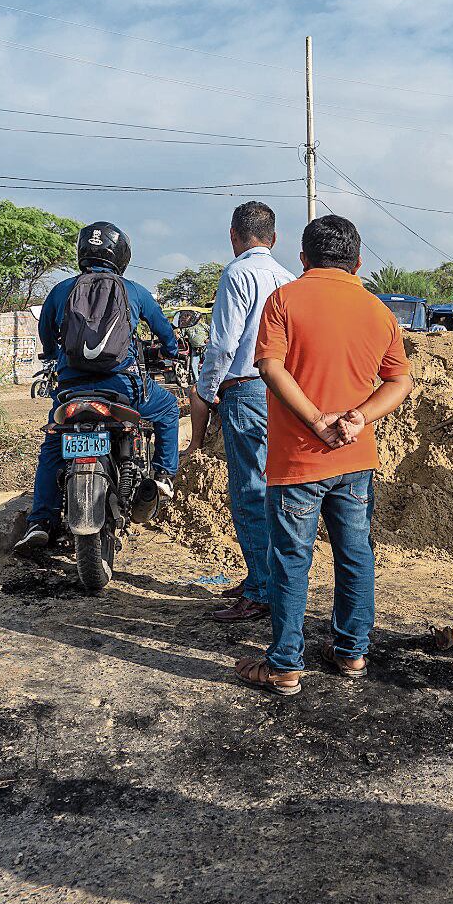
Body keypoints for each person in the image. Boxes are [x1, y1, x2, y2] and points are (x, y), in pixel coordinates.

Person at [234, 215, 413, 696]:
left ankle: (285, 667)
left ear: (303, 258)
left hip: (297, 461)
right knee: (355, 555)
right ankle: (352, 652)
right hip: (355, 459)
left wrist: (316, 420)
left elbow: (270, 367)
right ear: (358, 262)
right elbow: (399, 381)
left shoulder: (284, 300)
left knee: (290, 560)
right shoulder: (378, 311)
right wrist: (358, 418)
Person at [14, 221, 182, 553]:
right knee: (168, 409)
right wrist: (172, 351)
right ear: (121, 256)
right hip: (122, 388)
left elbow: (47, 338)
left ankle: (41, 521)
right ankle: (163, 475)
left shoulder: (61, 290)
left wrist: (55, 356)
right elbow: (164, 330)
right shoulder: (134, 291)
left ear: (82, 251)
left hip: (72, 390)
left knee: (54, 442)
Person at [184, 201, 295, 623]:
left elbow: (224, 344)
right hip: (281, 392)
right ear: (274, 238)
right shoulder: (288, 279)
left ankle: (261, 590)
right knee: (272, 490)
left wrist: (206, 390)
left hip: (245, 389)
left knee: (249, 492)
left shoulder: (237, 274)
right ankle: (263, 580)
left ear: (234, 235)